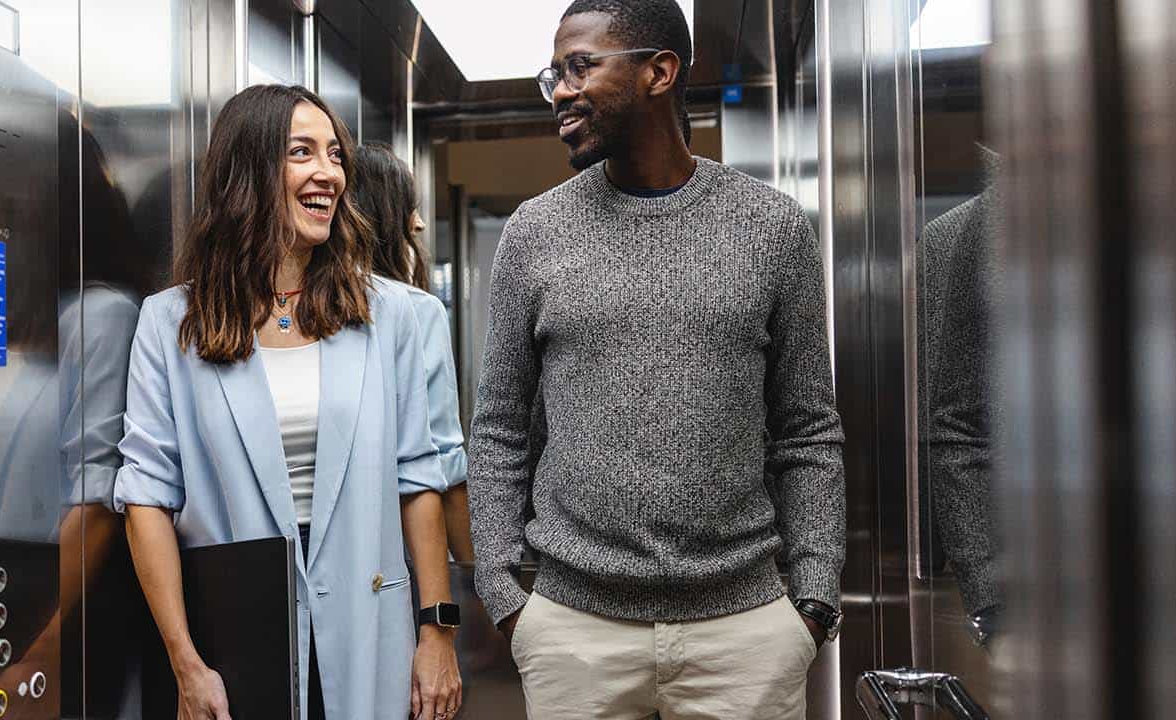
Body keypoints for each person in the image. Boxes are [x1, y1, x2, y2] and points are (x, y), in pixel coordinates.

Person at [466, 2, 846, 719]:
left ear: (659, 72)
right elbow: (499, 430)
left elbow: (808, 430)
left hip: (746, 631)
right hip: (573, 631)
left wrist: (815, 598)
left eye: (581, 66)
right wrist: (504, 592)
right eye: (555, 73)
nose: (561, 91)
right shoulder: (534, 233)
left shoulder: (771, 228)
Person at [113, 85, 462, 720]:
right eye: (302, 152)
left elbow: (419, 477)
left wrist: (437, 633)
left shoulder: (387, 316)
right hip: (238, 643)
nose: (328, 171)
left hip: (370, 628)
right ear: (247, 171)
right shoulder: (170, 323)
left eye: (334, 154)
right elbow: (146, 498)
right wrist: (185, 661)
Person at [350, 142, 473, 563]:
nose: (418, 224)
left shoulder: (291, 308)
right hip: (405, 559)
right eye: (407, 207)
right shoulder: (417, 309)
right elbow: (445, 462)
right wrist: (475, 579)